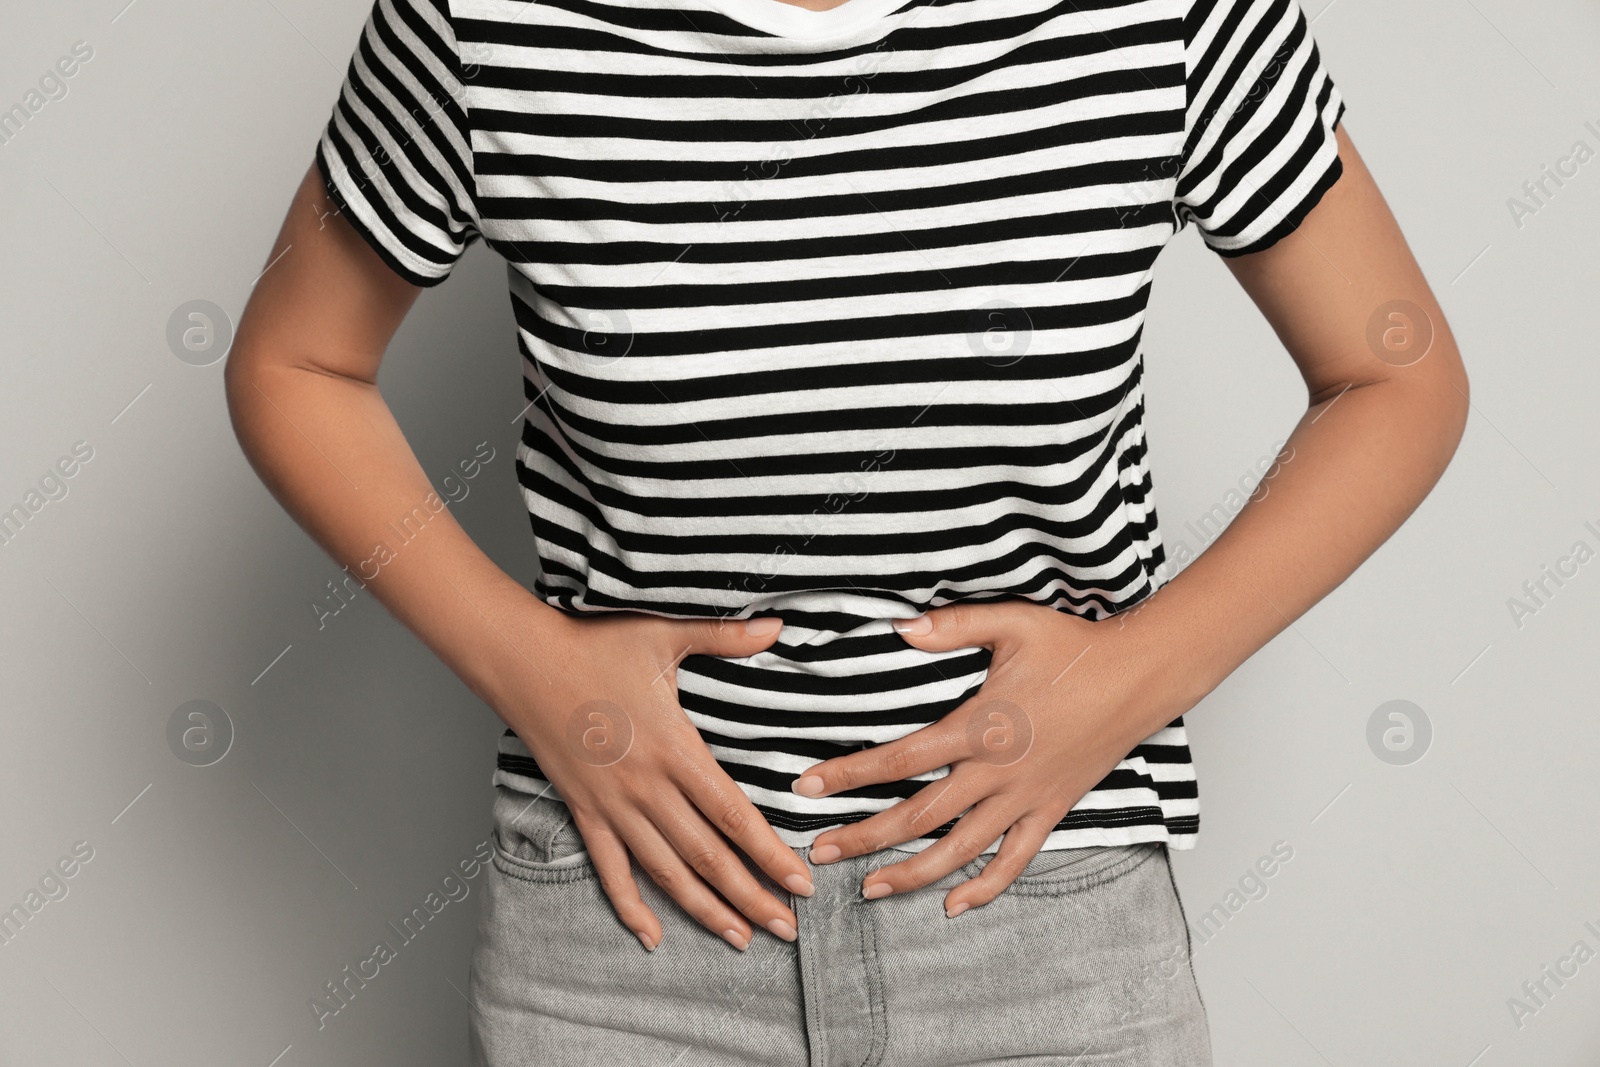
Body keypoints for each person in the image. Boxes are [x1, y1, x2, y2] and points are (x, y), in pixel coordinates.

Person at [225, 0, 1468, 1060]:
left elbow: (1395, 374)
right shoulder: (483, 23)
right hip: (627, 934)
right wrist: (536, 669)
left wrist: (1133, 675)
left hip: (1043, 922)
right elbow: (297, 361)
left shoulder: (1165, 17)